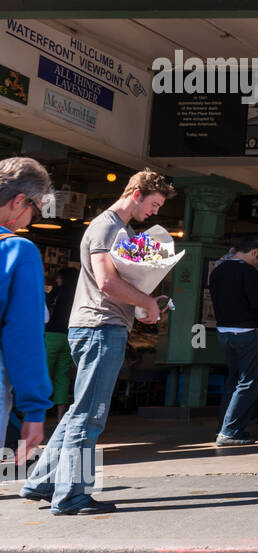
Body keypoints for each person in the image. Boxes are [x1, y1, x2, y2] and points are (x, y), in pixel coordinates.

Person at [22, 169, 175, 514]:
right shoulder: (108, 227)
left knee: (80, 408)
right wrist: (146, 301)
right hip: (100, 329)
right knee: (92, 415)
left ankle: (42, 482)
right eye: (153, 203)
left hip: (97, 327)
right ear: (136, 193)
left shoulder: (119, 229)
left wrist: (142, 298)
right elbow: (106, 282)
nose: (155, 212)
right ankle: (72, 496)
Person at [0, 158, 55, 472]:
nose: (30, 220)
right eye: (34, 209)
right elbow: (23, 336)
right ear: (19, 200)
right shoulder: (18, 250)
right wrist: (34, 410)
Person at [209, 234, 258, 447]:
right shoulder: (248, 271)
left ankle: (224, 426)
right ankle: (230, 431)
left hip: (224, 332)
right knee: (249, 382)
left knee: (233, 381)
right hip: (249, 332)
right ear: (254, 252)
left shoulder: (218, 271)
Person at [44, 266, 81, 421]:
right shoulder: (79, 295)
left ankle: (38, 415)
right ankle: (60, 416)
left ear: (63, 278)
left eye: (59, 277)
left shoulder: (56, 292)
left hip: (52, 335)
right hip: (69, 337)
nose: (57, 280)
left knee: (44, 373)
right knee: (63, 376)